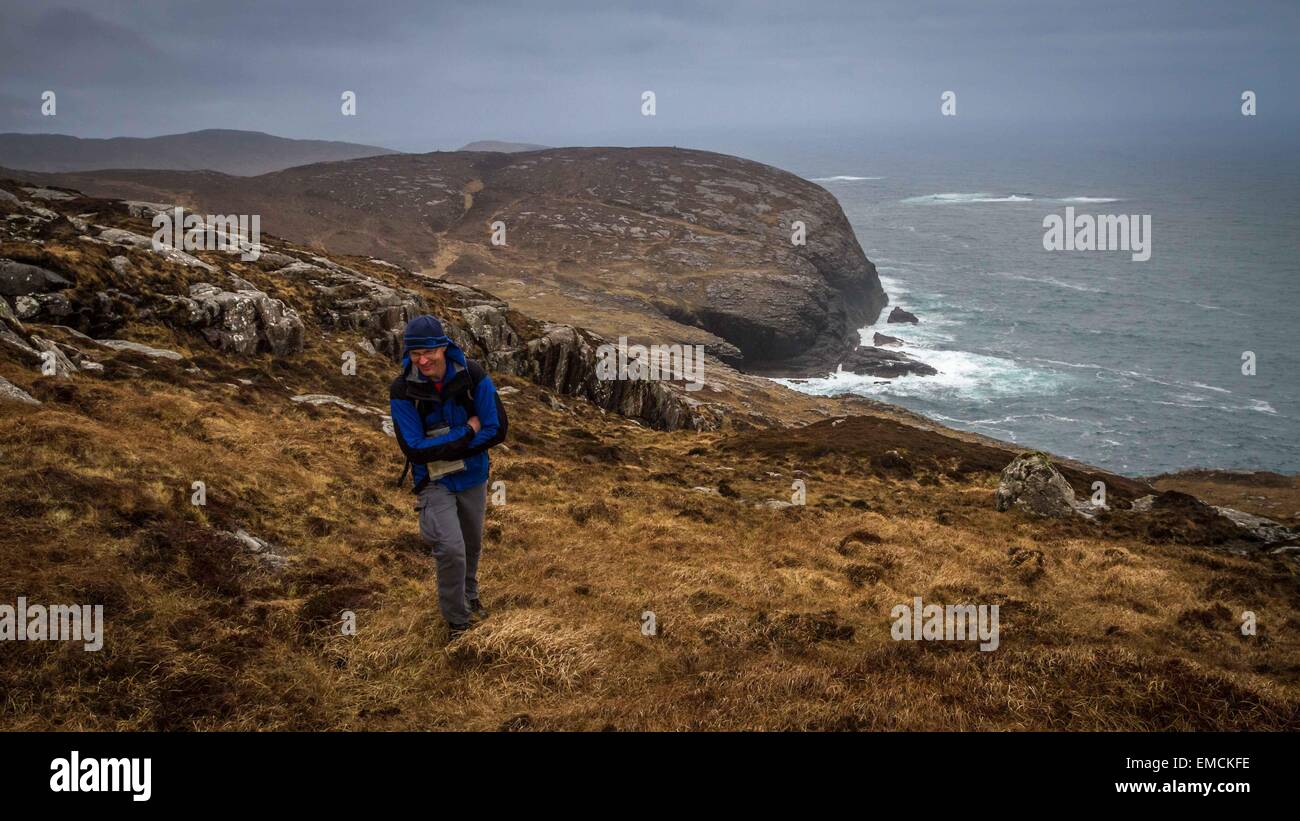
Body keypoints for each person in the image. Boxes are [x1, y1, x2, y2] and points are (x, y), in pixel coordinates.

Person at [389, 315, 507, 638]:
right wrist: (467, 432)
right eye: (415, 354)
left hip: (473, 477)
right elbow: (414, 449)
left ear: (443, 346)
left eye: (428, 351)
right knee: (451, 548)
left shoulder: (472, 375)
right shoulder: (403, 389)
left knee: (471, 545)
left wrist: (441, 447)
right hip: (434, 483)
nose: (422, 360)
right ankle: (458, 622)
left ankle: (469, 596)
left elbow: (498, 429)